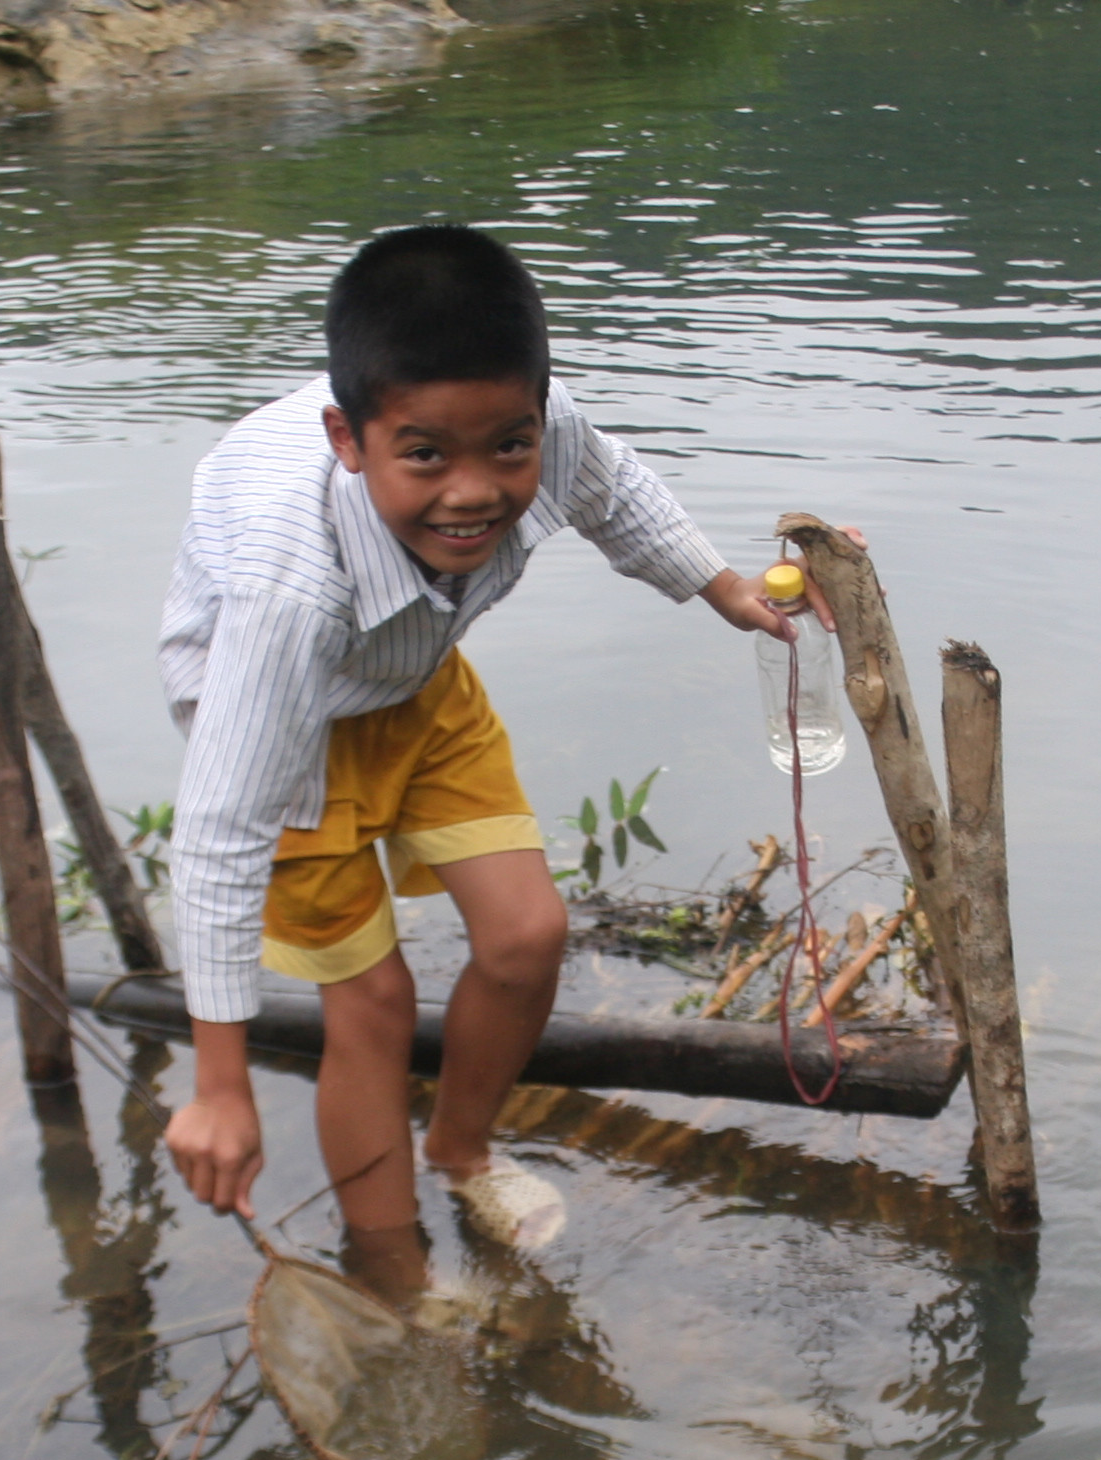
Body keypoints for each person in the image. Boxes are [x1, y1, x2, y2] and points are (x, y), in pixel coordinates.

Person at [158, 223, 793, 1297]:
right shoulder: (290, 586)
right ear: (348, 441)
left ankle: (459, 1152)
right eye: (426, 456)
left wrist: (725, 590)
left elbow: (613, 487)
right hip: (289, 722)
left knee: (527, 935)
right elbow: (219, 831)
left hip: (415, 679)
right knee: (374, 1006)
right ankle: (394, 1271)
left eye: (509, 445)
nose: (475, 490)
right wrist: (219, 1083)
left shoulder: (540, 432)